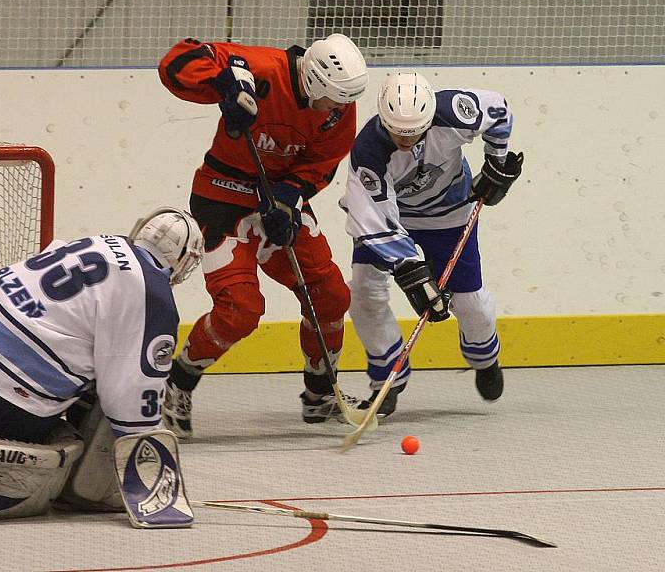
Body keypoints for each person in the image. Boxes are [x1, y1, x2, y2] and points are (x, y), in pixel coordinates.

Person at [0, 208, 204, 528]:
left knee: (70, 392)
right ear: (184, 259)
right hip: (19, 359)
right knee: (46, 470)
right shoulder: (153, 293)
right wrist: (144, 459)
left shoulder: (105, 243)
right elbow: (132, 392)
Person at [157, 34, 369, 437]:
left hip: (277, 199)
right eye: (334, 100)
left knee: (331, 295)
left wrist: (290, 197)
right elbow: (177, 60)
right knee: (241, 308)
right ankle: (178, 381)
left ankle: (321, 394)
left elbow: (322, 162)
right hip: (222, 195)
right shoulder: (264, 69)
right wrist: (222, 83)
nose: (339, 111)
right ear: (315, 81)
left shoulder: (338, 106)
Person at [340, 71, 524, 417]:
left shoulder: (452, 110)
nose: (406, 140)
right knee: (364, 293)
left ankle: (484, 359)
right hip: (390, 221)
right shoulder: (368, 150)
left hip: (449, 215)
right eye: (398, 133)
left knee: (471, 304)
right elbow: (374, 220)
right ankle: (387, 382)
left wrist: (496, 161)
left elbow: (499, 110)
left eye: (415, 132)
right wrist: (413, 271)